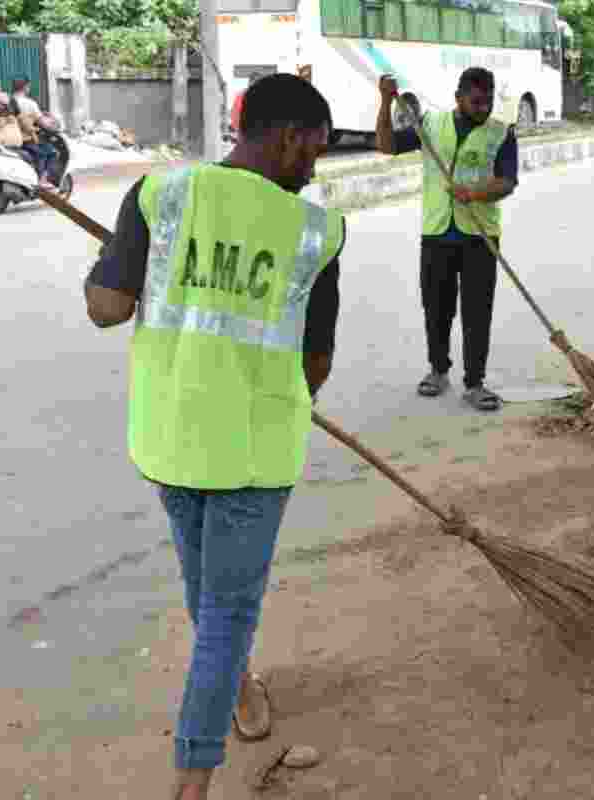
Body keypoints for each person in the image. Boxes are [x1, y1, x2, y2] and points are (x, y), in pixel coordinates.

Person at [81, 73, 343, 800]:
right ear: (288, 137)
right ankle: (192, 785)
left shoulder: (161, 195)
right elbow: (315, 362)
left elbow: (106, 307)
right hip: (254, 455)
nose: (314, 168)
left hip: (169, 438)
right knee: (227, 611)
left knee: (207, 590)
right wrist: (291, 392)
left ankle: (235, 681)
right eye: (314, 151)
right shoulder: (316, 230)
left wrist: (114, 266)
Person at [374, 67, 517, 412]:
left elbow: (507, 182)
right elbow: (386, 144)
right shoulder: (432, 126)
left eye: (488, 101)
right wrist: (384, 101)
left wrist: (474, 192)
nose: (484, 108)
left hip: (480, 236)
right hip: (437, 233)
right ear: (459, 98)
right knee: (436, 309)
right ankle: (438, 370)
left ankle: (475, 382)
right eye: (477, 101)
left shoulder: (501, 133)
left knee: (477, 311)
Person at [11, 77, 56, 188]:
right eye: (28, 87)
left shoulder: (7, 102)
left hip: (10, 139)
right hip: (26, 139)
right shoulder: (29, 103)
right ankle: (42, 180)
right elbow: (43, 123)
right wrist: (52, 124)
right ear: (26, 87)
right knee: (50, 152)